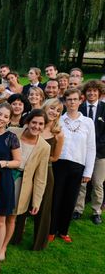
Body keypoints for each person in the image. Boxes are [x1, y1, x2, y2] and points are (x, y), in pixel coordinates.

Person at [49, 88, 96, 243]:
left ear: (80, 100)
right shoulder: (59, 120)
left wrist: (88, 171)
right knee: (56, 197)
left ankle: (63, 230)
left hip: (78, 165)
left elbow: (91, 147)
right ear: (65, 101)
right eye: (69, 99)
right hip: (59, 163)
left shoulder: (88, 122)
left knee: (70, 199)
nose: (72, 102)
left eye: (75, 99)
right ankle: (51, 229)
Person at [8, 110, 51, 248]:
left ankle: (3, 245)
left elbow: (40, 176)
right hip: (4, 175)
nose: (36, 126)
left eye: (40, 124)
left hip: (22, 182)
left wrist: (36, 201)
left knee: (12, 216)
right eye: (34, 122)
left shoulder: (44, 147)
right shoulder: (12, 132)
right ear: (27, 122)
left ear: (44, 126)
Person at [0, 104, 21, 273]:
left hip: (3, 180)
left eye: (5, 116)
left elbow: (18, 161)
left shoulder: (11, 137)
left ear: (9, 120)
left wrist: (3, 163)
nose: (1, 118)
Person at [74, 80, 105, 224]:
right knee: (82, 183)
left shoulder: (104, 108)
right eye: (89, 91)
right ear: (85, 93)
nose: (92, 93)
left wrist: (95, 149)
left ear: (99, 92)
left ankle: (96, 211)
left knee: (98, 183)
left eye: (95, 91)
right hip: (81, 153)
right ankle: (78, 209)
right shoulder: (79, 109)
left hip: (100, 154)